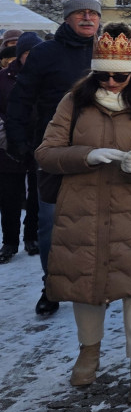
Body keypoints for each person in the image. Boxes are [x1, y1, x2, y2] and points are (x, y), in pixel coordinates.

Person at [35, 28, 131, 403]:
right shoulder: (73, 102)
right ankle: (88, 352)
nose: (111, 81)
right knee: (85, 284)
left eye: (119, 75)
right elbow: (46, 152)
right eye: (103, 74)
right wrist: (85, 155)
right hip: (82, 208)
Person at [5, 0, 102, 315]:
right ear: (68, 17)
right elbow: (22, 99)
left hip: (102, 150)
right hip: (55, 151)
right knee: (51, 223)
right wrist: (19, 142)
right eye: (81, 12)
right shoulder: (46, 52)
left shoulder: (108, 49)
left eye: (93, 13)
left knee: (97, 220)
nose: (88, 18)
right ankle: (53, 284)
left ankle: (94, 280)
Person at [0, 32, 42, 264]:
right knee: (10, 197)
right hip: (8, 146)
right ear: (19, 55)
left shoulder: (43, 77)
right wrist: (7, 138)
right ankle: (10, 241)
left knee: (36, 194)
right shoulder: (3, 78)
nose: (32, 58)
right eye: (27, 54)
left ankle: (31, 235)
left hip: (37, 143)